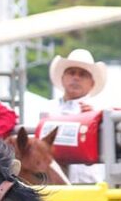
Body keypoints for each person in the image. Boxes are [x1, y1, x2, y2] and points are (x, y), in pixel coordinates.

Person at [43, 49, 107, 183]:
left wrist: (97, 121)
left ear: (92, 83)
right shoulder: (47, 108)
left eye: (82, 74)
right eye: (71, 73)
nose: (76, 78)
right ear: (63, 78)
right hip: (52, 182)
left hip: (88, 182)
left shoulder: (100, 111)